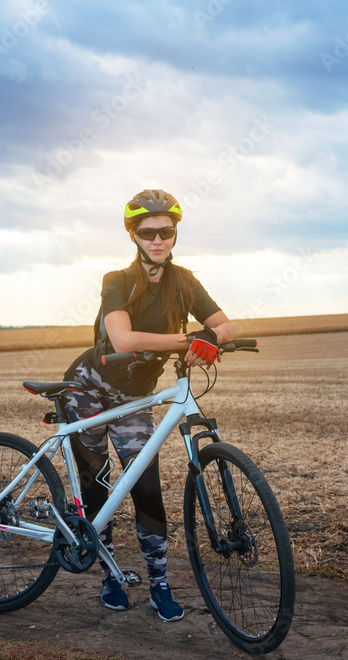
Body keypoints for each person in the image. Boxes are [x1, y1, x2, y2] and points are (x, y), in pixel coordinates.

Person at [61, 188, 238, 622]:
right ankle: (110, 577)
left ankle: (159, 584)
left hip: (135, 396)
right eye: (148, 232)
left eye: (167, 231)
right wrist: (189, 340)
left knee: (145, 490)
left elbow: (226, 325)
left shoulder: (185, 281)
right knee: (99, 488)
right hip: (89, 388)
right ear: (133, 235)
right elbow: (122, 338)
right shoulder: (117, 281)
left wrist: (211, 339)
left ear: (175, 234)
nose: (158, 239)